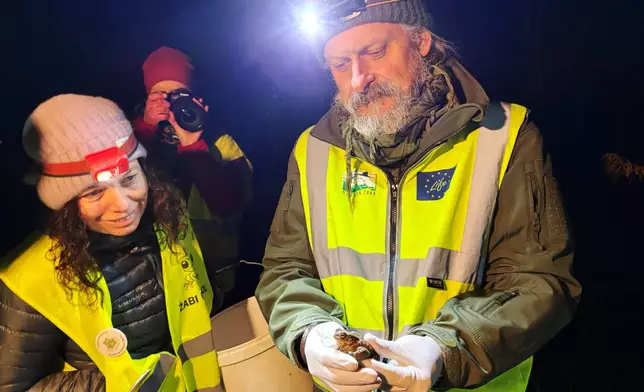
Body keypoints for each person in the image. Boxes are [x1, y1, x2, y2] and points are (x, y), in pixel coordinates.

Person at [256, 1, 581, 391]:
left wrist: (441, 349)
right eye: (340, 65)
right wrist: (309, 333)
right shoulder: (313, 150)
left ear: (421, 41)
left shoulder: (503, 135)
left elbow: (539, 282)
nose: (359, 79)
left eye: (375, 53)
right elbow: (284, 270)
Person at [0, 95, 222, 392]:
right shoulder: (30, 279)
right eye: (93, 193)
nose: (123, 205)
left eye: (129, 178)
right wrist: (108, 385)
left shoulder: (169, 217)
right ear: (64, 204)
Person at [133, 46, 253, 305]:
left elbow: (227, 205)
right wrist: (145, 128)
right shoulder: (132, 140)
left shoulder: (222, 144)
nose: (169, 103)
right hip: (150, 282)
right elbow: (123, 188)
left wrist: (193, 143)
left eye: (179, 95)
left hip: (214, 279)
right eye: (160, 95)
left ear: (197, 99)